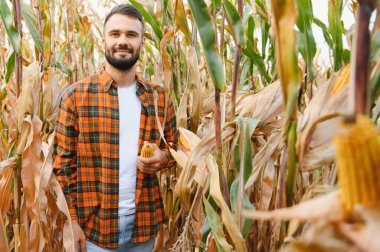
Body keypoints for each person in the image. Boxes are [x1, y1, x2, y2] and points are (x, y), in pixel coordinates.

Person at [53, 4, 176, 251]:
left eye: (131, 35)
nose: (123, 41)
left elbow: (175, 148)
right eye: (115, 34)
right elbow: (63, 166)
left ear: (142, 43)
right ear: (103, 41)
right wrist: (72, 222)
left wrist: (162, 157)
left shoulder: (158, 97)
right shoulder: (75, 97)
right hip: (93, 229)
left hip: (144, 226)